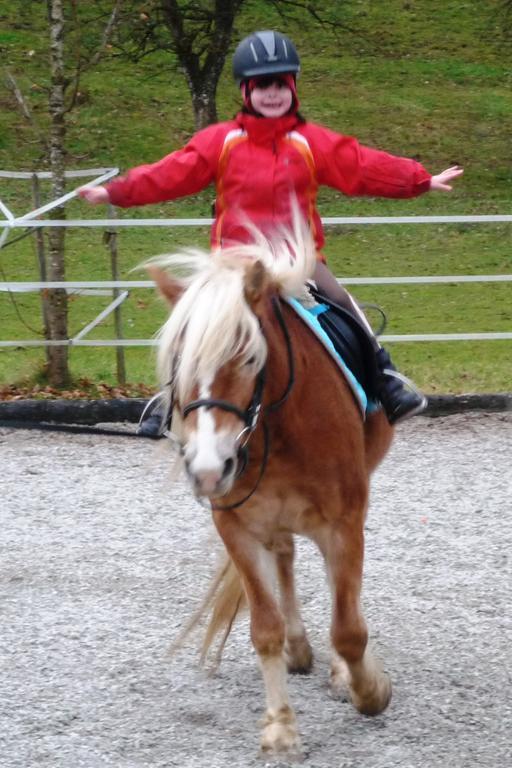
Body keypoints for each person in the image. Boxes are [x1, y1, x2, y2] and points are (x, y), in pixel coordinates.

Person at [80, 30, 463, 435]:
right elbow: (171, 173)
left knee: (343, 306)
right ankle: (169, 397)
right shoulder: (220, 141)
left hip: (298, 259)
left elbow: (362, 165)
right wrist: (114, 191)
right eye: (263, 85)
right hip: (234, 262)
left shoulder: (310, 142)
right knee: (192, 315)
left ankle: (384, 380)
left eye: (280, 84)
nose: (272, 94)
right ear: (246, 90)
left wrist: (419, 180)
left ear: (292, 87)